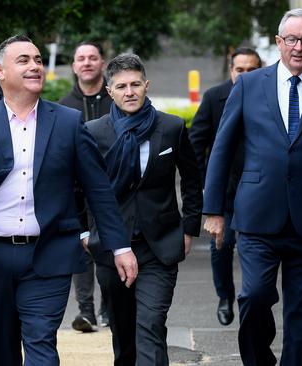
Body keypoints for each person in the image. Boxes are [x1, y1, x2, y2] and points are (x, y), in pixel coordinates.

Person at [0, 35, 137, 366]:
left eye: (38, 60)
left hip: (50, 252)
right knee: (1, 347)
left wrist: (120, 247)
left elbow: (98, 189)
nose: (35, 66)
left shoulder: (67, 122)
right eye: (24, 61)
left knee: (41, 343)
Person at [203, 8, 302, 366]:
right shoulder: (248, 85)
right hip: (258, 215)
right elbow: (222, 148)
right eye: (291, 39)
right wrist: (213, 211)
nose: (298, 47)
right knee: (254, 297)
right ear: (278, 42)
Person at [85, 53, 202, 366]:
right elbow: (77, 187)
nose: (129, 91)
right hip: (111, 245)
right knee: (124, 334)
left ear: (146, 85)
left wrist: (190, 229)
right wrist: (85, 232)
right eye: (121, 86)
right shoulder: (94, 132)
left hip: (159, 245)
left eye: (135, 84)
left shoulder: (172, 127)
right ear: (109, 91)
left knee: (150, 323)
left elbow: (192, 180)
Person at [189, 47, 261, 326]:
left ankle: (252, 298)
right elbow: (196, 143)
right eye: (239, 70)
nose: (244, 75)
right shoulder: (213, 97)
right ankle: (224, 295)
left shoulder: (268, 96)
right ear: (231, 71)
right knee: (222, 245)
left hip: (258, 189)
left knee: (254, 248)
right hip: (225, 190)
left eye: (251, 70)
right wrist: (204, 185)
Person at [59, 41, 112, 332]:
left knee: (110, 247)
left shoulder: (115, 100)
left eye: (93, 57)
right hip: (76, 192)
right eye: (81, 58)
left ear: (102, 62)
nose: (87, 62)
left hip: (112, 188)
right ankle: (86, 312)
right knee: (82, 249)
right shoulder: (64, 106)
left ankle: (109, 307)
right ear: (74, 66)